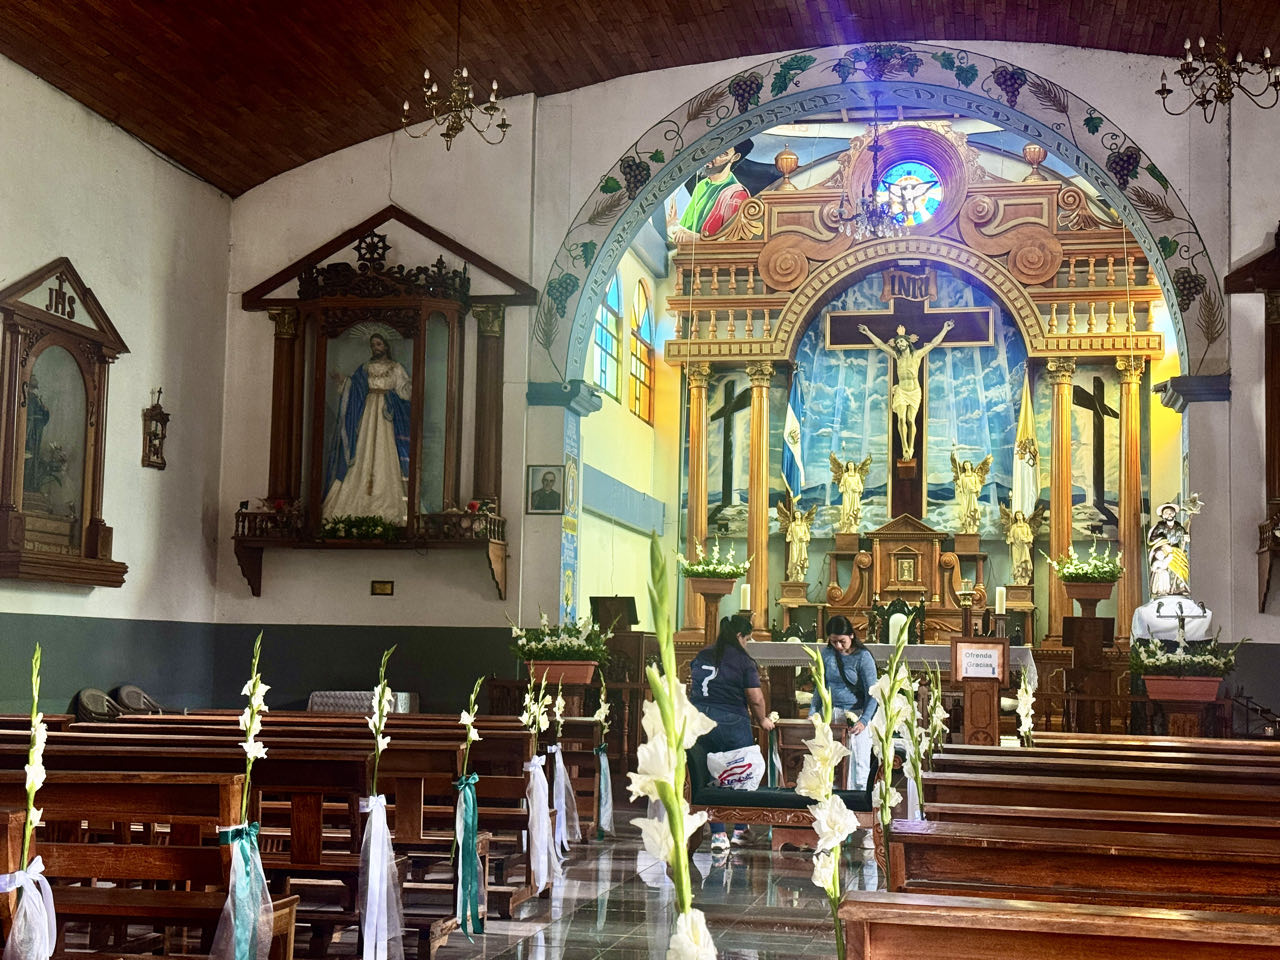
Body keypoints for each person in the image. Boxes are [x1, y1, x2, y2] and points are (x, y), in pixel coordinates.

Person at [689, 613, 775, 850]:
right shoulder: (743, 660)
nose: (747, 643)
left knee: (709, 774)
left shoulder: (703, 654)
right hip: (730, 721)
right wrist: (763, 720)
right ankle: (739, 829)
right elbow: (755, 698)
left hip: (699, 720)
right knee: (740, 771)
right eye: (747, 639)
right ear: (739, 636)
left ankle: (718, 834)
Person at [322, 332, 412, 525]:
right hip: (368, 413)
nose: (375, 348)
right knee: (363, 449)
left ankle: (385, 502)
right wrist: (343, 381)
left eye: (378, 344)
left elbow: (405, 391)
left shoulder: (396, 368)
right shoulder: (365, 368)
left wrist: (413, 386)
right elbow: (355, 388)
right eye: (373, 345)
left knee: (384, 451)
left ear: (386, 346)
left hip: (386, 415)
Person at [858, 320, 954, 459]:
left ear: (908, 342)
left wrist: (945, 329)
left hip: (914, 392)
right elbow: (880, 345)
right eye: (897, 343)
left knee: (910, 420)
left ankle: (912, 447)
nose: (899, 344)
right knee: (901, 419)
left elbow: (934, 343)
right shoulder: (897, 357)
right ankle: (905, 448)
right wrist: (868, 332)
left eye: (901, 341)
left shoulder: (917, 355)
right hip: (901, 391)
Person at [820, 615, 878, 796]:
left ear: (851, 635)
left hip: (856, 715)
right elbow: (820, 686)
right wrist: (814, 711)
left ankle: (860, 805)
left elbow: (873, 693)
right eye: (833, 641)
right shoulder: (827, 654)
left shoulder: (863, 657)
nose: (838, 646)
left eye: (842, 641)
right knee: (833, 766)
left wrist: (864, 721)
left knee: (858, 765)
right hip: (831, 714)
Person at [666, 141, 753, 242]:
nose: (712, 157)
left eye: (722, 153)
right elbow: (686, 229)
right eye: (711, 149)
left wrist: (690, 237)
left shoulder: (737, 195)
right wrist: (674, 223)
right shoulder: (701, 185)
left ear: (735, 157)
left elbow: (727, 243)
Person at [1147, 502, 1190, 597]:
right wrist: (1164, 543)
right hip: (1165, 550)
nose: (1169, 515)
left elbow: (1183, 540)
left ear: (1175, 514)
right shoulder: (1160, 527)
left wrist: (1186, 539)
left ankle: (1180, 587)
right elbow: (1152, 538)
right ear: (1162, 516)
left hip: (1177, 551)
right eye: (1166, 513)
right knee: (1167, 569)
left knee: (1181, 568)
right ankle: (1169, 588)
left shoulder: (1179, 528)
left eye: (1171, 512)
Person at [1007, 510, 1034, 585]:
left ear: (1022, 516)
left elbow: (1030, 536)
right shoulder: (1014, 526)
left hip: (1024, 546)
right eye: (1017, 515)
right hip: (1016, 546)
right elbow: (1010, 537)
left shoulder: (1026, 526)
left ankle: (1024, 579)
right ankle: (1017, 579)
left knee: (1025, 562)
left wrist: (1026, 539)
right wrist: (1010, 539)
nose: (1018, 516)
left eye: (1019, 514)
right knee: (1016, 563)